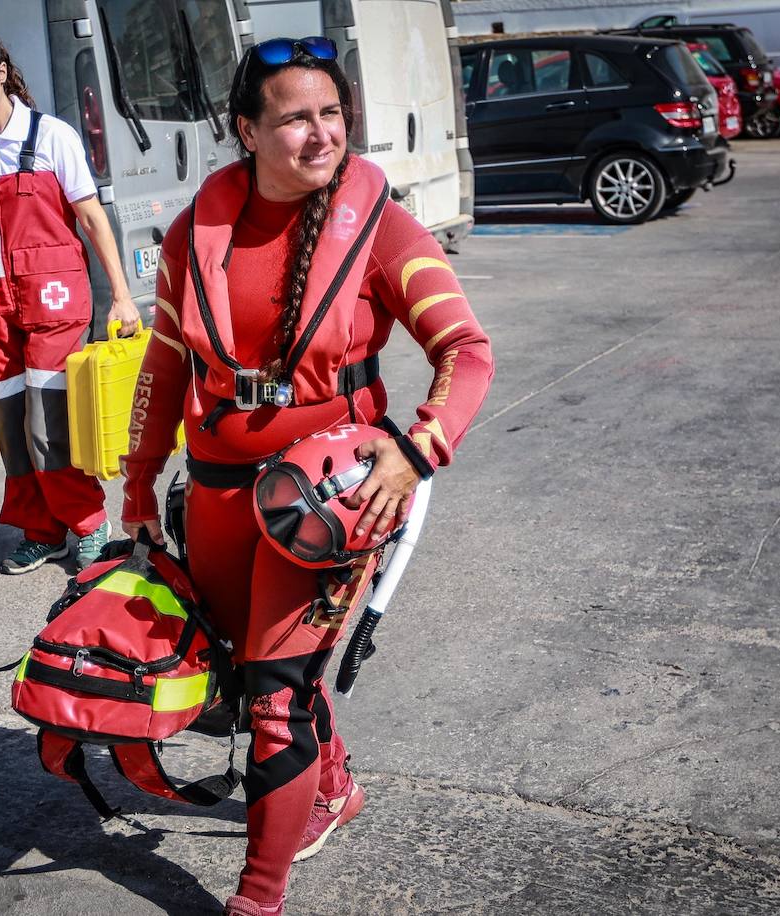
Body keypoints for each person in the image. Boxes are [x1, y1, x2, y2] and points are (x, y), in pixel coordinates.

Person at [119, 37, 495, 916]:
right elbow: (164, 367)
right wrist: (137, 488)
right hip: (212, 493)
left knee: (279, 697)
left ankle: (258, 898)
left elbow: (467, 353)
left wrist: (415, 449)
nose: (321, 134)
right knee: (244, 675)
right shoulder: (192, 231)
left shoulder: (382, 228)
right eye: (296, 118)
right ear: (246, 130)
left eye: (332, 114)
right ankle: (333, 789)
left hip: (321, 504)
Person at [0, 24, 139, 574]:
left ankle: (90, 525)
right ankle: (42, 530)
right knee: (8, 427)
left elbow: (93, 219)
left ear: (1, 73)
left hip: (53, 302)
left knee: (48, 426)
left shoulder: (53, 137)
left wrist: (121, 296)